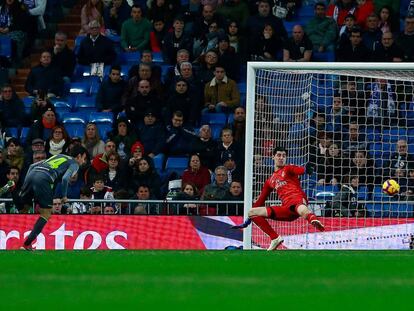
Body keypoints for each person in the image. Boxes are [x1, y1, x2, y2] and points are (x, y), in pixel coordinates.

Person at [233, 146, 324, 251]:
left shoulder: (288, 168)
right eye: (279, 155)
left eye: (284, 156)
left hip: (296, 201)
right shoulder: (270, 181)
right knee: (252, 212)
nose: (281, 158)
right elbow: (260, 201)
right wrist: (248, 219)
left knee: (300, 208)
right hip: (286, 210)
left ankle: (313, 219)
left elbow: (299, 170)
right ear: (273, 157)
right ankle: (275, 238)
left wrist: (306, 170)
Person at [7, 146, 88, 250]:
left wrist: (25, 186)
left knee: (24, 208)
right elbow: (65, 179)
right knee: (46, 213)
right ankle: (27, 243)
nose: (83, 161)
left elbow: (32, 166)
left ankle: (13, 190)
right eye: (84, 158)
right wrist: (64, 196)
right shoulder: (74, 164)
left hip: (32, 174)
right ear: (79, 156)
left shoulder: (59, 155)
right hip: (45, 178)